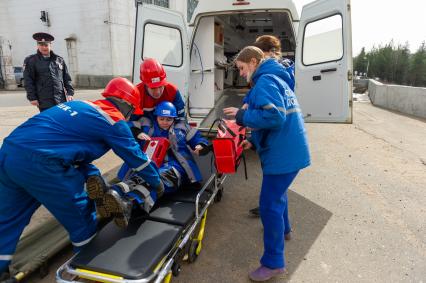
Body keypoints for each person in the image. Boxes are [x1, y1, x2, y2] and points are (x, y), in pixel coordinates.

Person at [0, 77, 164, 275]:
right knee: (82, 217)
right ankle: (86, 270)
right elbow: (137, 159)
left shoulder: (80, 105)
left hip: (10, 151)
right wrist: (156, 181)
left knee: (9, 217)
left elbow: (73, 145)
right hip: (42, 163)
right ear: (128, 105)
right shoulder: (114, 120)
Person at [223, 46, 310, 281]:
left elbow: (275, 116)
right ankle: (285, 230)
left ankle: (273, 263)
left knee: (269, 204)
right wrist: (252, 140)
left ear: (253, 62)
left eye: (241, 68)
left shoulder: (265, 81)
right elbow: (271, 117)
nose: (240, 73)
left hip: (284, 154)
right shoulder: (275, 78)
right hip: (291, 150)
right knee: (278, 195)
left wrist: (241, 117)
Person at [93, 101, 209, 228]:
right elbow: (125, 125)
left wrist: (200, 145)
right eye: (162, 118)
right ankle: (114, 191)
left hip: (174, 167)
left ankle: (131, 203)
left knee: (157, 180)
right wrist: (137, 133)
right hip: (151, 164)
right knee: (139, 177)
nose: (165, 122)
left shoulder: (182, 128)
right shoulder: (147, 124)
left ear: (174, 118)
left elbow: (197, 137)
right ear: (156, 117)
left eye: (169, 119)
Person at [248, 35, 296, 218]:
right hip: (278, 133)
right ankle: (278, 215)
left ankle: (269, 208)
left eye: (261, 54)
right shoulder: (282, 70)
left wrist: (245, 114)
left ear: (269, 52)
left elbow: (274, 113)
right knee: (277, 183)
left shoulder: (271, 73)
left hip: (275, 134)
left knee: (273, 177)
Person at [23, 32, 74, 112]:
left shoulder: (59, 60)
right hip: (44, 100)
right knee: (49, 122)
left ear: (50, 45)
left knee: (62, 120)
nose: (44, 47)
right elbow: (28, 80)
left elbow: (66, 78)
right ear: (38, 46)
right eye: (41, 45)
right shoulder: (31, 61)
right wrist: (32, 97)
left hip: (61, 99)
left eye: (46, 45)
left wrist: (70, 93)